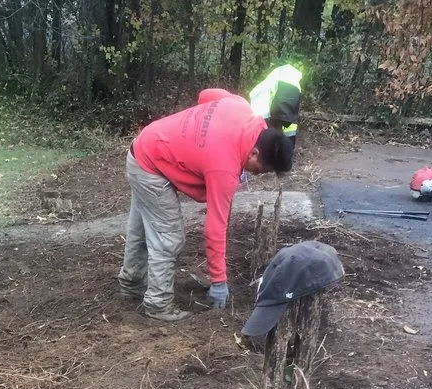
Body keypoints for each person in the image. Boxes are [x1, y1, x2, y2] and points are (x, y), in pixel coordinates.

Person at [118, 89, 294, 322]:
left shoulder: (241, 108)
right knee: (169, 237)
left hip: (147, 143)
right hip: (149, 167)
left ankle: (132, 283)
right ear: (254, 152)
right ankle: (158, 304)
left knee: (141, 228)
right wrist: (219, 281)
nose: (256, 174)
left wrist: (199, 133)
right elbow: (215, 229)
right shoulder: (225, 169)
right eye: (261, 170)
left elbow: (205, 95)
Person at [249, 63, 303, 140]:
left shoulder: (267, 84)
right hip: (283, 122)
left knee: (270, 141)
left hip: (267, 116)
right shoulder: (294, 83)